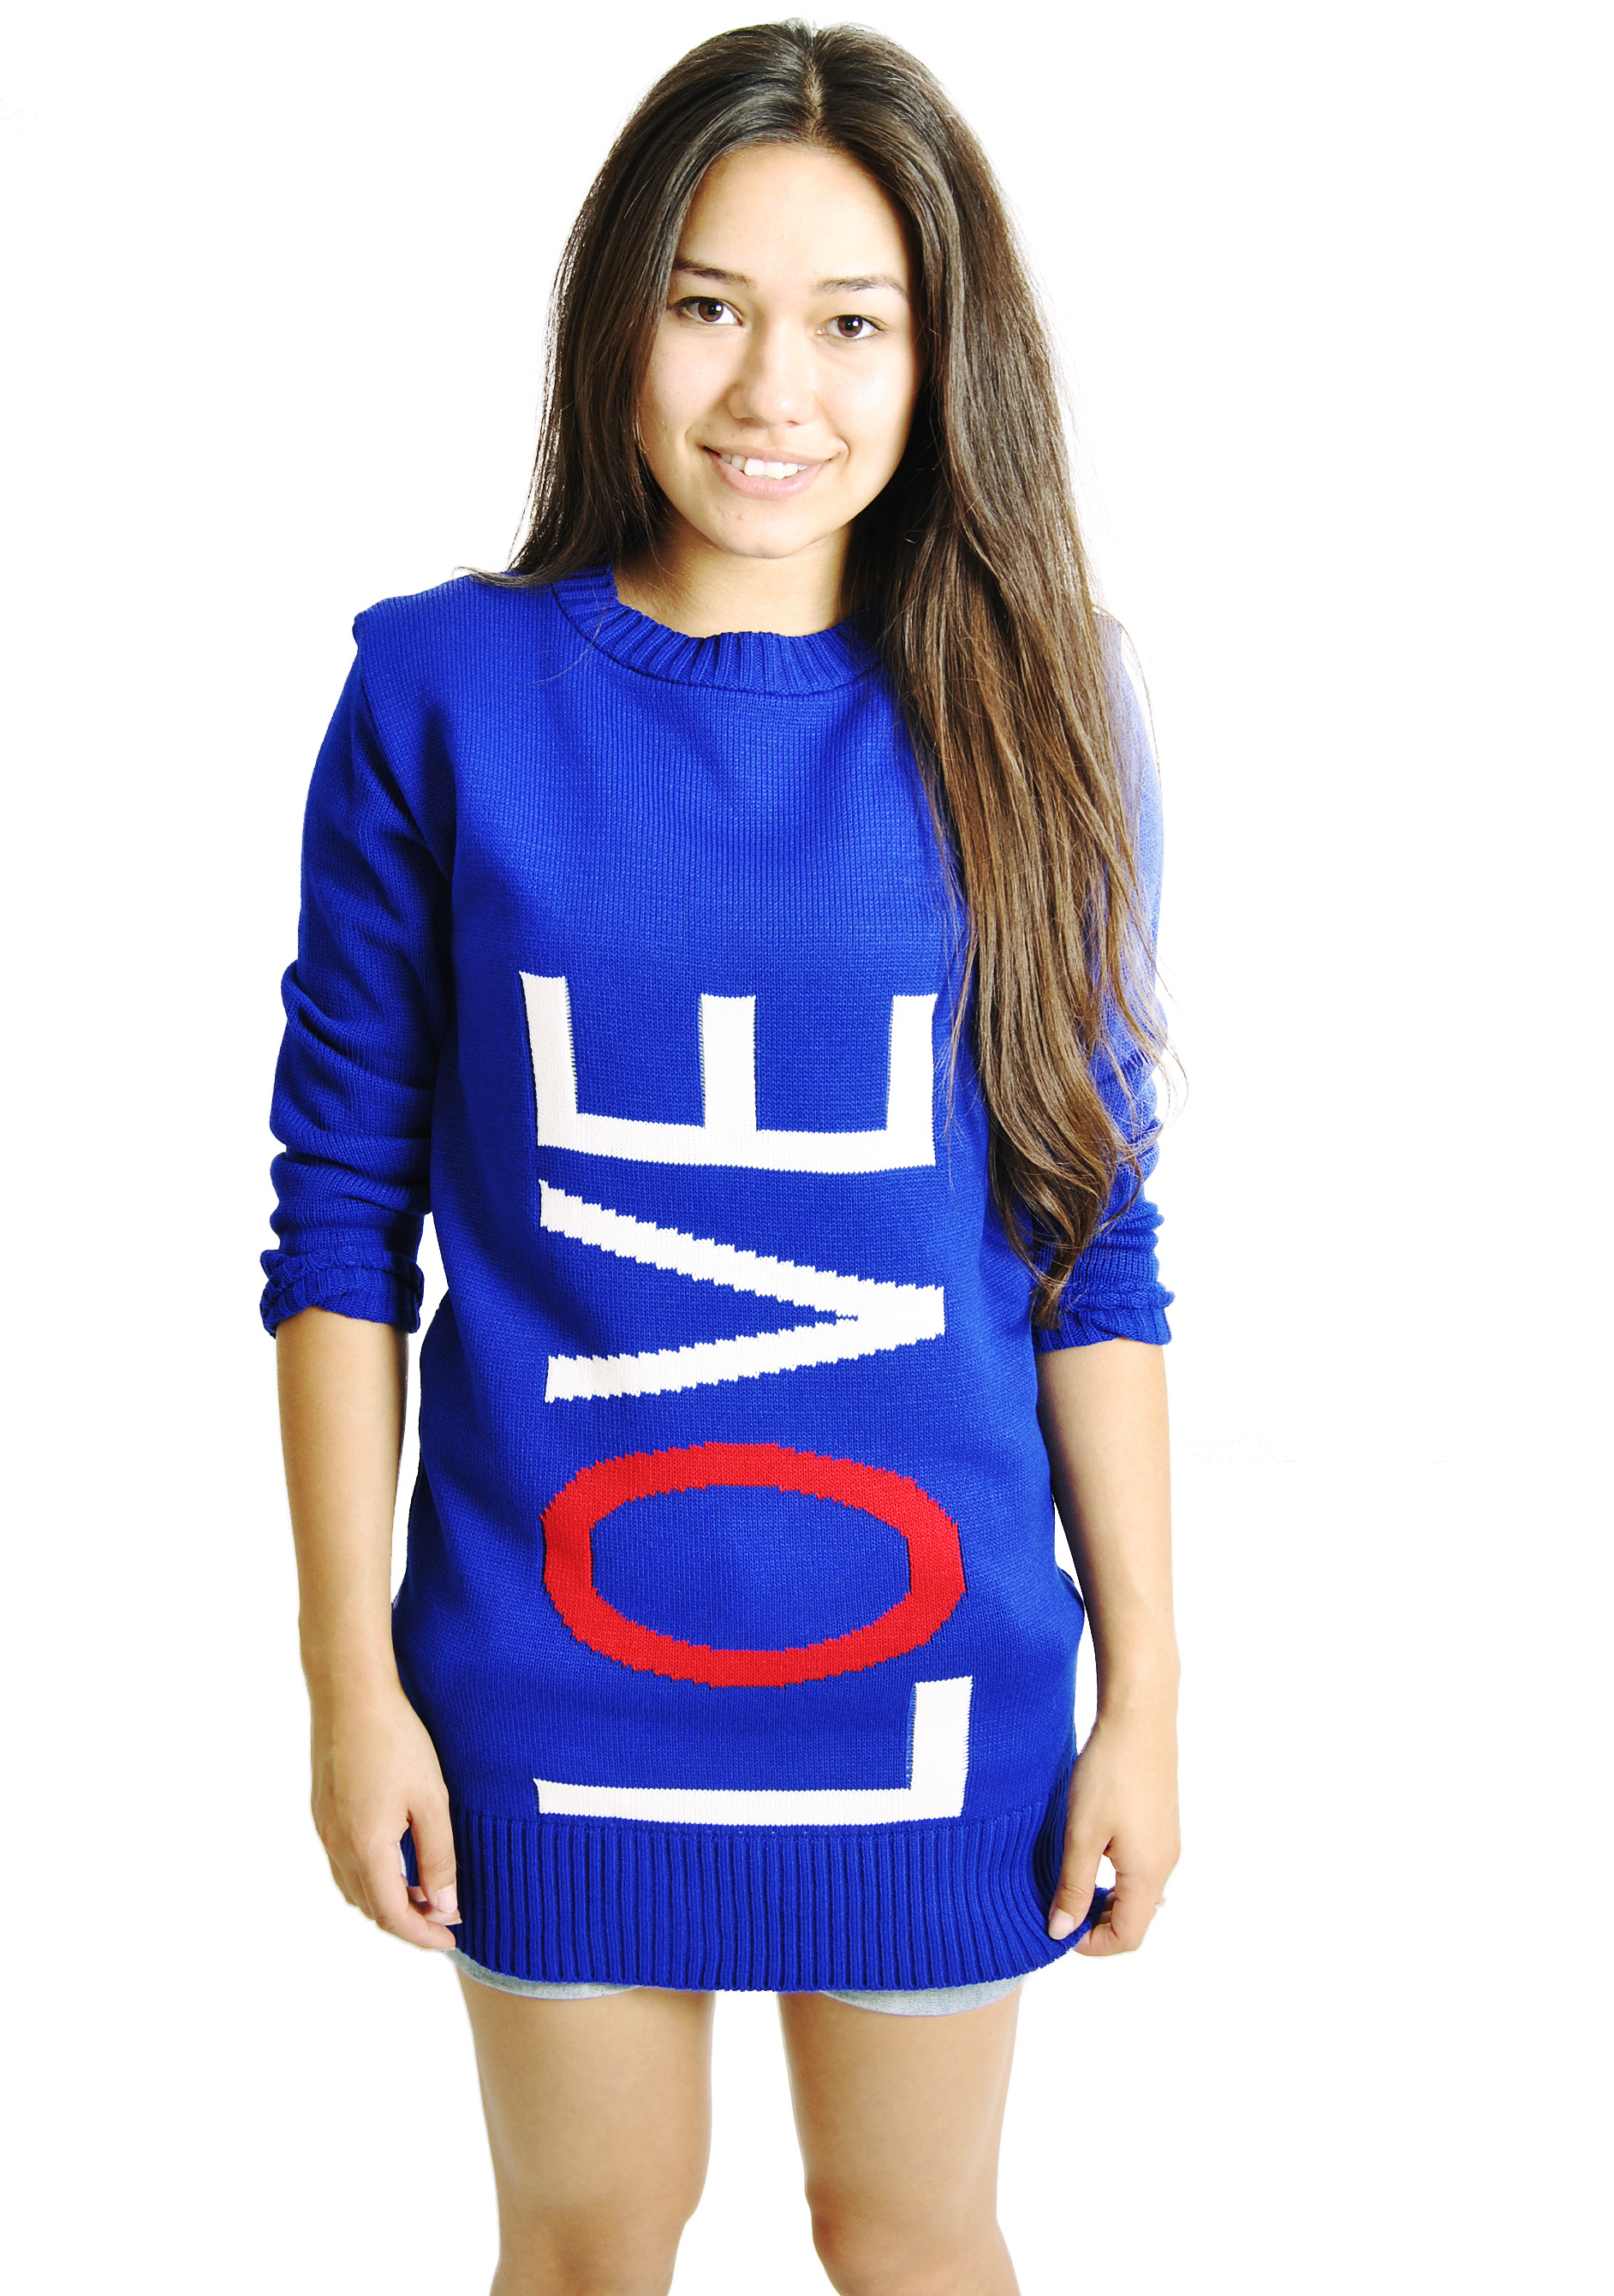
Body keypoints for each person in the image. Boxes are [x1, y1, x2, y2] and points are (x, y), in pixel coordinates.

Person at [265, 20, 1180, 2294]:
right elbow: (339, 1220)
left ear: (942, 359)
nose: (777, 388)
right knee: (589, 2240)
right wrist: (349, 1682)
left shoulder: (1043, 702)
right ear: (619, 318)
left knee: (912, 2237)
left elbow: (1094, 1236)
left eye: (854, 322)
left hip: (933, 1676)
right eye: (710, 303)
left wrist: (1149, 1697)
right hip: (544, 1662)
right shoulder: (441, 693)